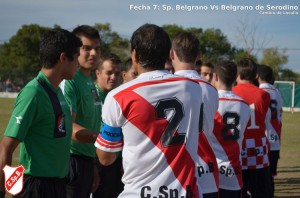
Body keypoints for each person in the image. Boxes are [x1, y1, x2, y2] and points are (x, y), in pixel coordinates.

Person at [95, 24, 203, 198]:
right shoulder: (193, 88)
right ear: (169, 54)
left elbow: (105, 157)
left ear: (135, 55)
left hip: (138, 193)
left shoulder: (118, 96)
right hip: (185, 192)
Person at [0, 28, 81, 198]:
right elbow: (6, 148)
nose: (78, 65)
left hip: (58, 185)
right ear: (63, 58)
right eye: (76, 58)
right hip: (36, 186)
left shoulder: (58, 91)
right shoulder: (33, 93)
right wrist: (5, 191)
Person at [171, 31, 219, 198]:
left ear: (171, 54)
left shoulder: (163, 87)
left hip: (175, 173)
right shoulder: (212, 90)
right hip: (206, 172)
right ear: (199, 56)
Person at [61, 25, 102, 198]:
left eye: (97, 49)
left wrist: (92, 163)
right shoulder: (69, 80)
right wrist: (103, 139)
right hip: (70, 161)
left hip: (86, 161)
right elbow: (67, 127)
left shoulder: (90, 82)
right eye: (86, 48)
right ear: (75, 50)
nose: (93, 53)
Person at [232, 58, 272, 198]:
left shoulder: (232, 92)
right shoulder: (264, 94)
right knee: (260, 191)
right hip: (259, 148)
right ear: (256, 76)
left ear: (236, 74)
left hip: (239, 148)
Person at [211, 60, 250, 198]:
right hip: (234, 173)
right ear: (235, 78)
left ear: (215, 76)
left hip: (211, 174)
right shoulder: (245, 106)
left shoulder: (210, 103)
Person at [92, 53, 123, 198]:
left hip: (117, 161)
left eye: (117, 73)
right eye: (109, 73)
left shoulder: (119, 97)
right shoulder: (89, 95)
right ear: (98, 73)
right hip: (97, 161)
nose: (113, 77)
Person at [257, 64, 283, 198]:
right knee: (270, 178)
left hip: (263, 140)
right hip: (275, 140)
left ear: (258, 76)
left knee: (258, 179)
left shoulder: (259, 92)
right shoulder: (277, 92)